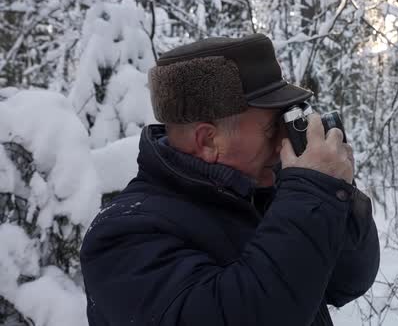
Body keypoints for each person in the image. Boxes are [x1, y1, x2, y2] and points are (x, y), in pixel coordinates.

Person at [80, 33, 379, 326]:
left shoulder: (266, 191)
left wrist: (334, 192)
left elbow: (349, 281)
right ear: (208, 140)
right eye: (272, 128)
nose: (282, 143)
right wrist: (310, 195)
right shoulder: (122, 236)